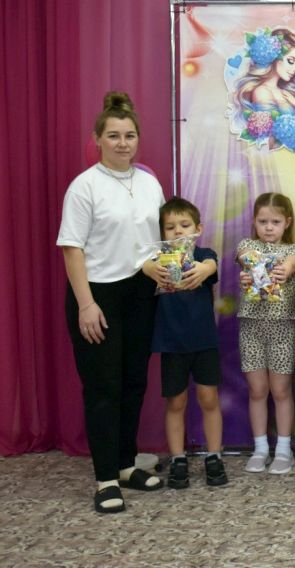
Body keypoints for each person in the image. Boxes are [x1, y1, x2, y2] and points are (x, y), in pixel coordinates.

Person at [57, 91, 166, 513]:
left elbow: (157, 242)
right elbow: (72, 248)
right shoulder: (84, 186)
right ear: (98, 139)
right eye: (114, 136)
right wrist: (86, 304)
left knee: (133, 383)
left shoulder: (149, 183)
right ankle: (105, 480)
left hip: (140, 294)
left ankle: (125, 465)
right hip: (98, 295)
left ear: (138, 139)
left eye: (129, 135)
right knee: (103, 388)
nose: (122, 143)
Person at [152, 197, 227, 490]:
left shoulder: (204, 255)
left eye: (185, 225)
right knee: (176, 402)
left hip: (204, 342)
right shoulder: (158, 260)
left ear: (198, 228)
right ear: (162, 232)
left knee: (209, 399)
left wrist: (205, 269)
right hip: (171, 344)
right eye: (170, 227)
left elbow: (210, 264)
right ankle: (178, 459)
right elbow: (144, 266)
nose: (178, 232)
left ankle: (214, 457)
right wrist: (150, 268)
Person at [236, 193, 295, 475]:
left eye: (275, 222)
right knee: (257, 390)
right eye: (263, 221)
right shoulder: (248, 245)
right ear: (254, 221)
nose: (268, 227)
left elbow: (293, 263)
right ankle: (260, 448)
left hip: (282, 328)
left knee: (281, 390)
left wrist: (284, 269)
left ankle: (284, 449)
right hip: (251, 327)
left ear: (286, 222)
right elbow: (245, 257)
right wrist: (249, 270)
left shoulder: (292, 250)